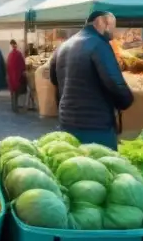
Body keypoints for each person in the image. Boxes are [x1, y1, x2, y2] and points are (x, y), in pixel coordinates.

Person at [49, 10, 134, 148]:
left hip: (67, 123)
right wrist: (126, 101)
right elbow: (114, 82)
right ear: (101, 21)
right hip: (96, 126)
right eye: (112, 26)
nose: (113, 32)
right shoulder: (99, 45)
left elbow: (54, 80)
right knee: (101, 167)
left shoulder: (63, 47)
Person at [6, 39, 27, 114]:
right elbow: (23, 65)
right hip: (17, 77)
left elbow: (7, 66)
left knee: (13, 92)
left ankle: (14, 107)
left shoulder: (10, 55)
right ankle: (16, 107)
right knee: (17, 92)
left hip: (11, 77)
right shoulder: (19, 54)